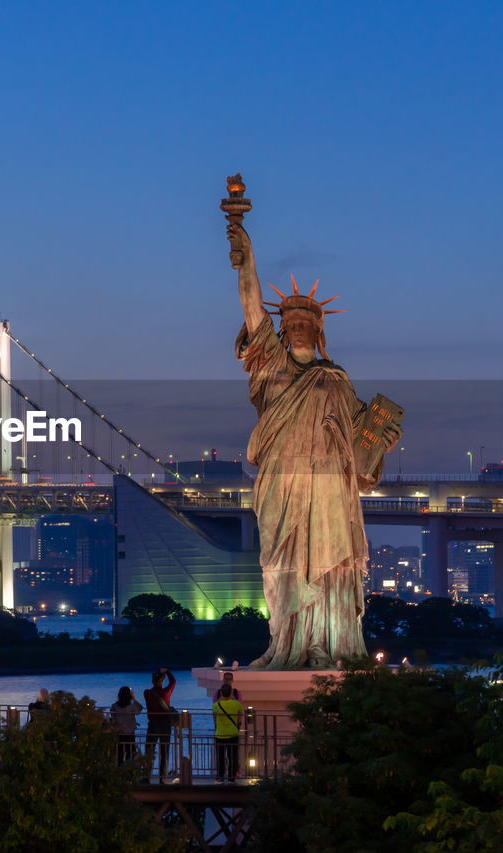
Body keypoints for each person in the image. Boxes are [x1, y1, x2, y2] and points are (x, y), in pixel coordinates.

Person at [229, 218, 401, 668]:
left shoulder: (335, 380)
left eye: (306, 321)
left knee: (330, 563)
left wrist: (383, 438)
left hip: (327, 485)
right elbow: (251, 307)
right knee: (281, 563)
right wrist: (244, 252)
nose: (299, 326)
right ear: (281, 330)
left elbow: (362, 442)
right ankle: (286, 642)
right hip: (283, 482)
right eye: (291, 321)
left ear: (318, 330)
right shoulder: (271, 366)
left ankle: (330, 641)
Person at [143, 668, 177, 782]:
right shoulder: (166, 692)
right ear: (163, 681)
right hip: (165, 725)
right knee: (165, 750)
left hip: (153, 725)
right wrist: (167, 671)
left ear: (152, 681)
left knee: (149, 750)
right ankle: (162, 778)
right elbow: (173, 681)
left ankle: (146, 777)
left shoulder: (147, 693)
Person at [212, 683, 243, 782]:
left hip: (220, 734)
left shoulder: (216, 705)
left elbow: (214, 719)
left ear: (221, 693)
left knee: (220, 757)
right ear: (231, 693)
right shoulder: (237, 704)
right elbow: (240, 718)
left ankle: (221, 776)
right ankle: (231, 777)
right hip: (233, 734)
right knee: (232, 757)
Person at [109, 686, 143, 764]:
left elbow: (113, 717)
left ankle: (120, 771)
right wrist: (134, 698)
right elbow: (139, 709)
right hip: (130, 733)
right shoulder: (131, 706)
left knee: (119, 755)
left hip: (119, 733)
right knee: (130, 754)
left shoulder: (114, 706)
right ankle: (129, 772)